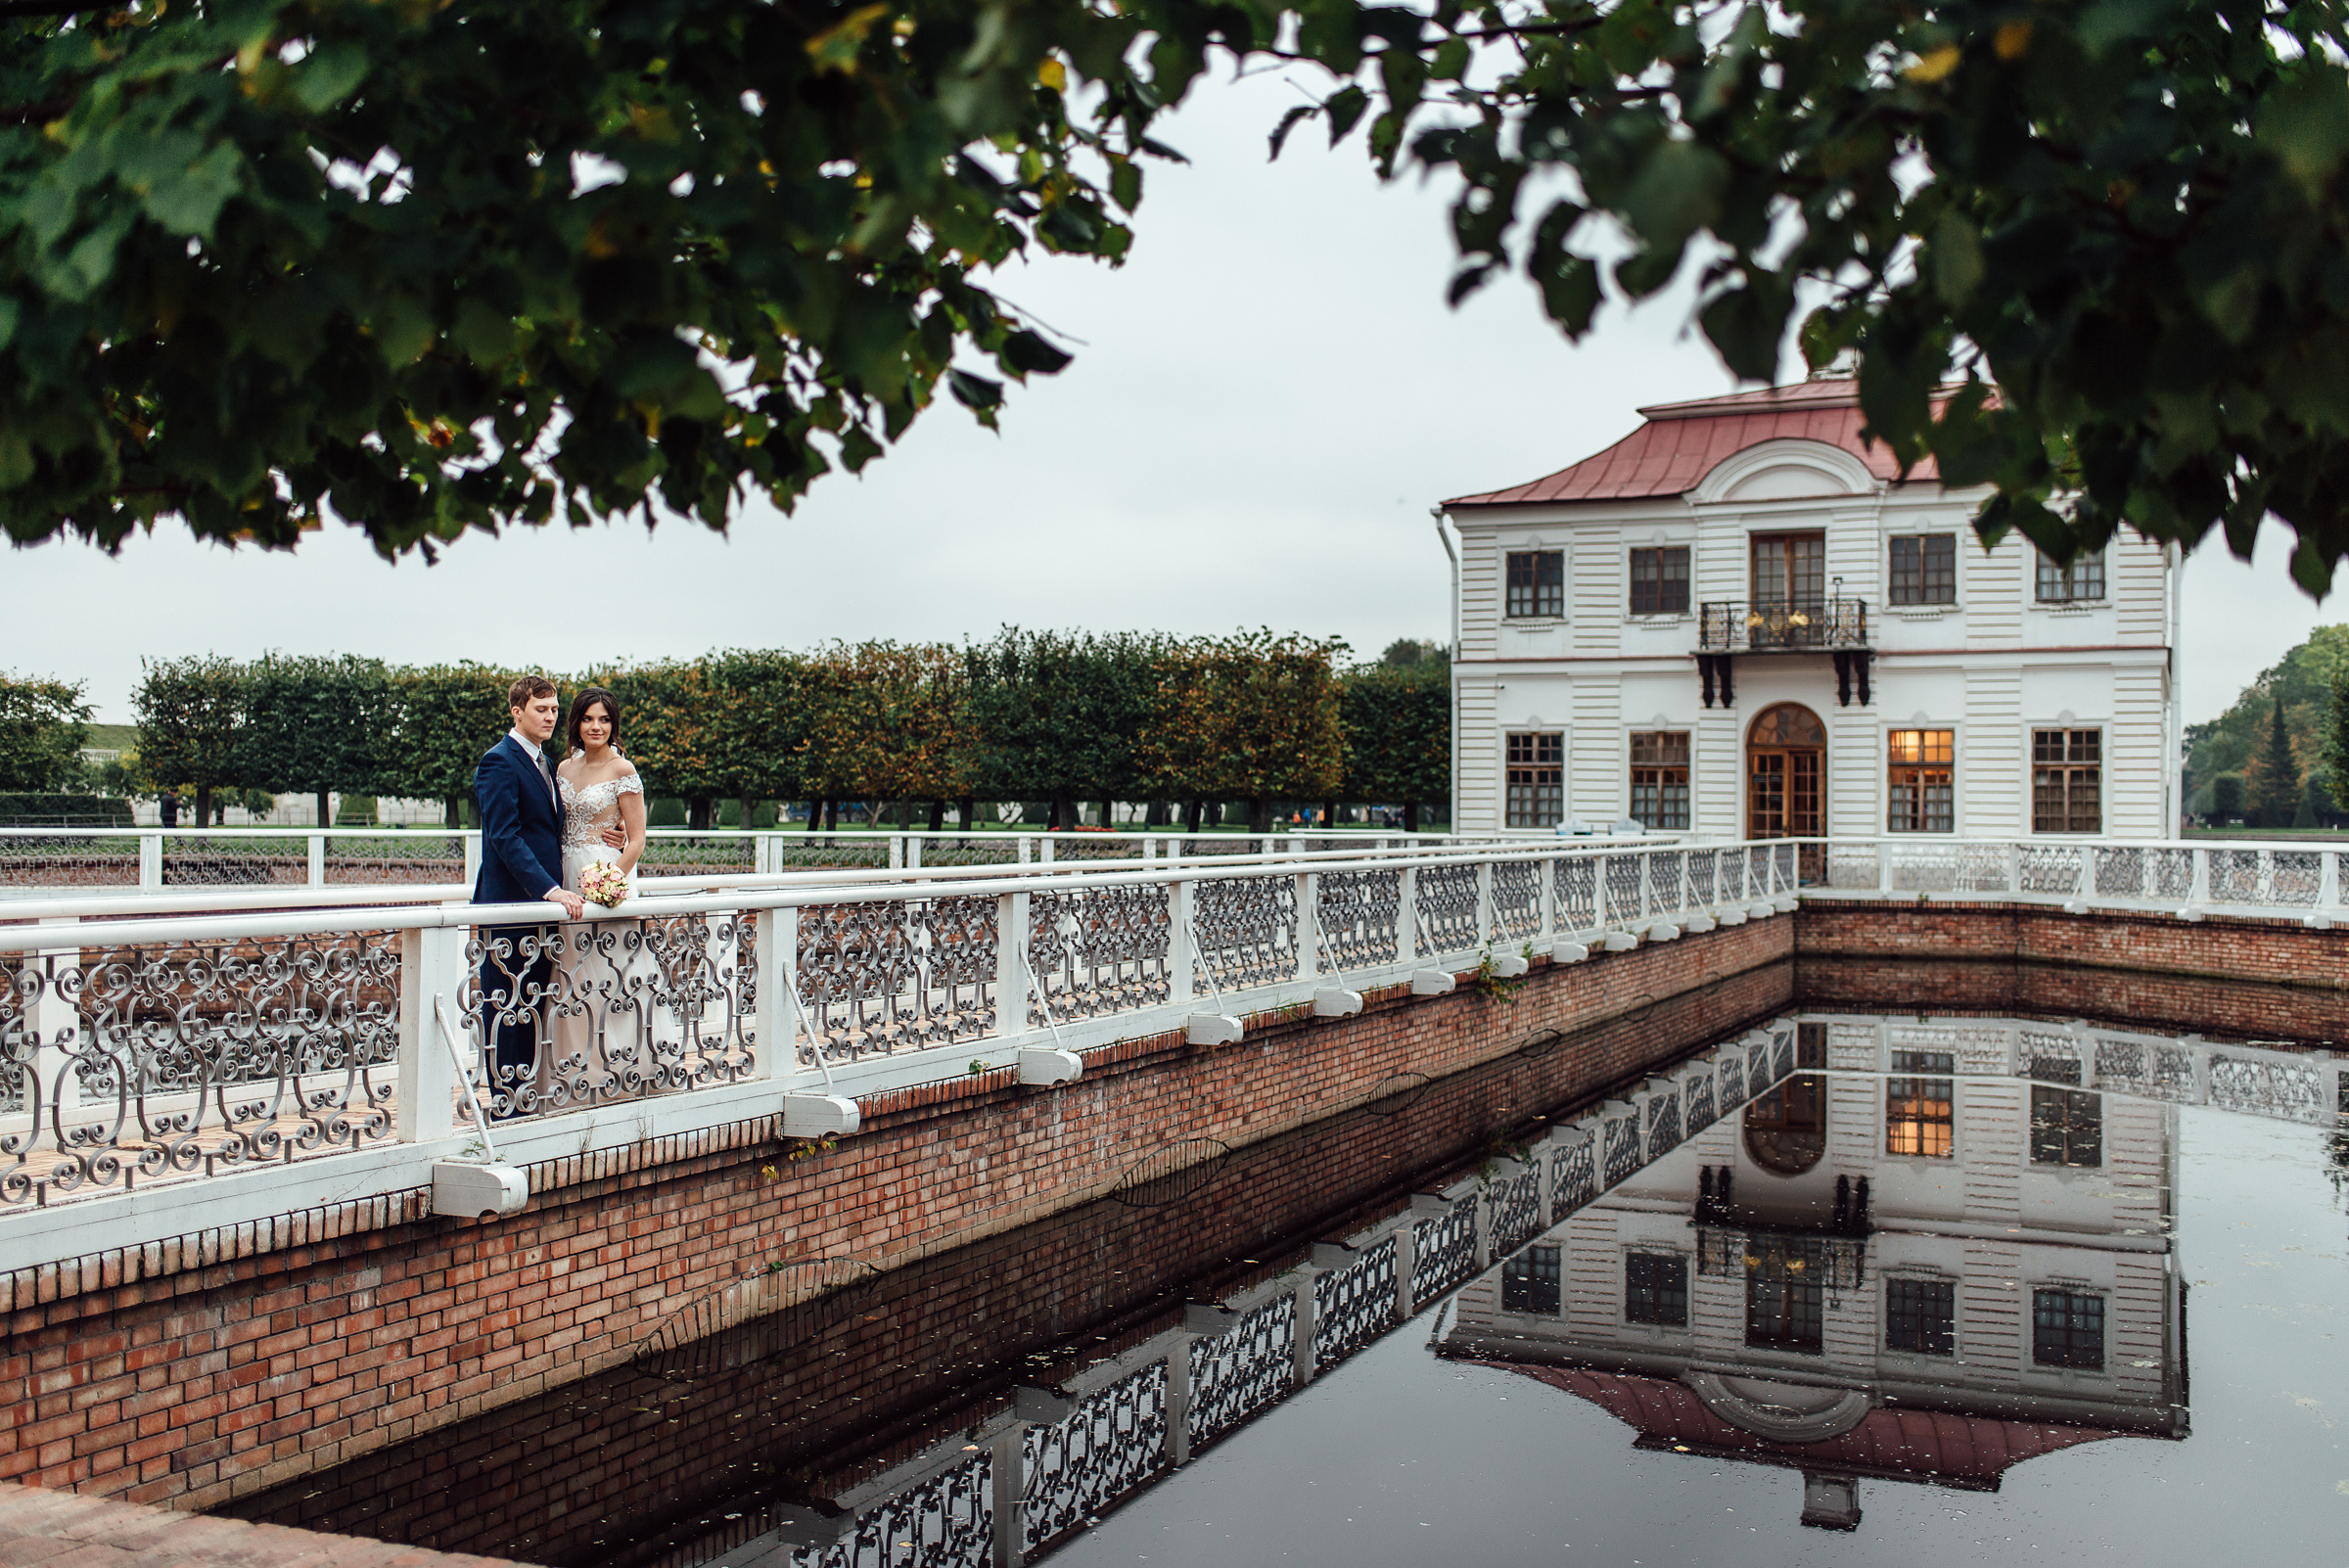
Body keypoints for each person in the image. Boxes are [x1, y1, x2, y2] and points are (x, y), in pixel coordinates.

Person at [473, 676, 582, 1117]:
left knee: (532, 1003)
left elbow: (549, 830)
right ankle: (505, 1107)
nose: (551, 717)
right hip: (509, 906)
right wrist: (550, 889)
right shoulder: (498, 761)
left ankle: (526, 1100)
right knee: (505, 1008)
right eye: (541, 709)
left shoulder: (545, 762)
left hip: (541, 909)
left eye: (554, 709)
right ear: (517, 711)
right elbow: (505, 837)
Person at [546, 688, 648, 1097]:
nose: (596, 726)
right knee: (571, 973)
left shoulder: (622, 768)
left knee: (611, 972)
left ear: (613, 724)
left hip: (605, 876)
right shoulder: (563, 768)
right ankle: (575, 1071)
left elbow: (637, 840)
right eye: (588, 718)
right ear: (577, 722)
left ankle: (620, 1069)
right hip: (566, 874)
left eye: (604, 719)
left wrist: (608, 883)